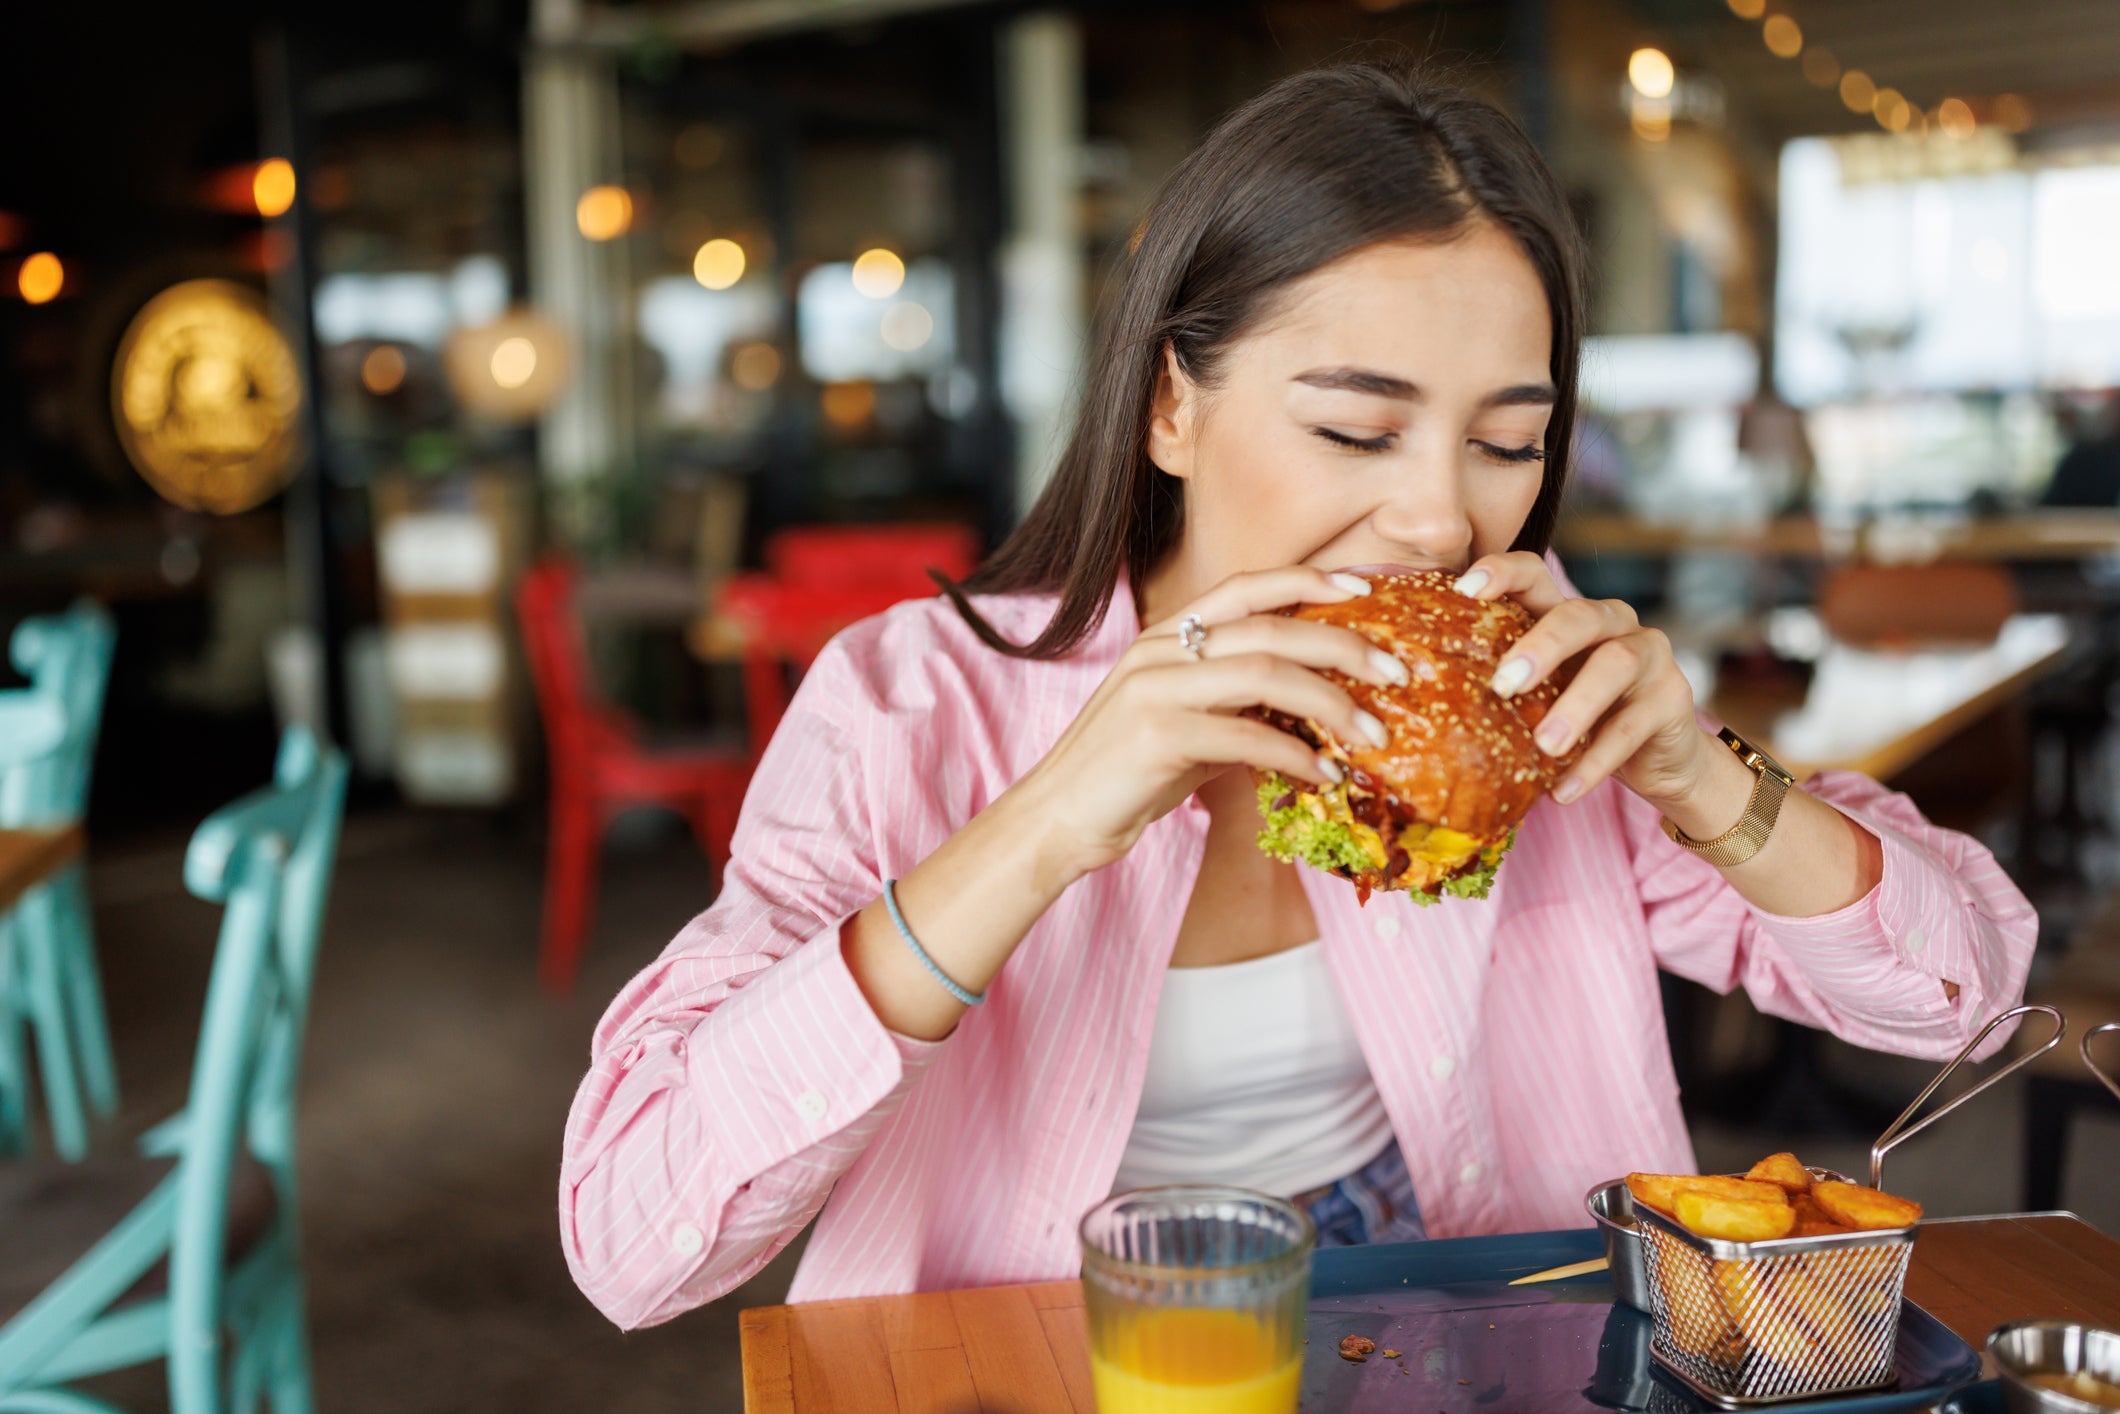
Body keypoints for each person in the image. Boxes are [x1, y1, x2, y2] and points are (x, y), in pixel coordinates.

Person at [559, 65, 2035, 1328]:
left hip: (1451, 1313)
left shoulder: (1535, 713)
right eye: (1356, 427)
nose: (1442, 521)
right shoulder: (905, 702)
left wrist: (1703, 777)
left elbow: (1959, 993)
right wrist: (1052, 817)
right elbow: (634, 1239)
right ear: (1169, 406)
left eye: (1507, 444)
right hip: (1033, 1330)